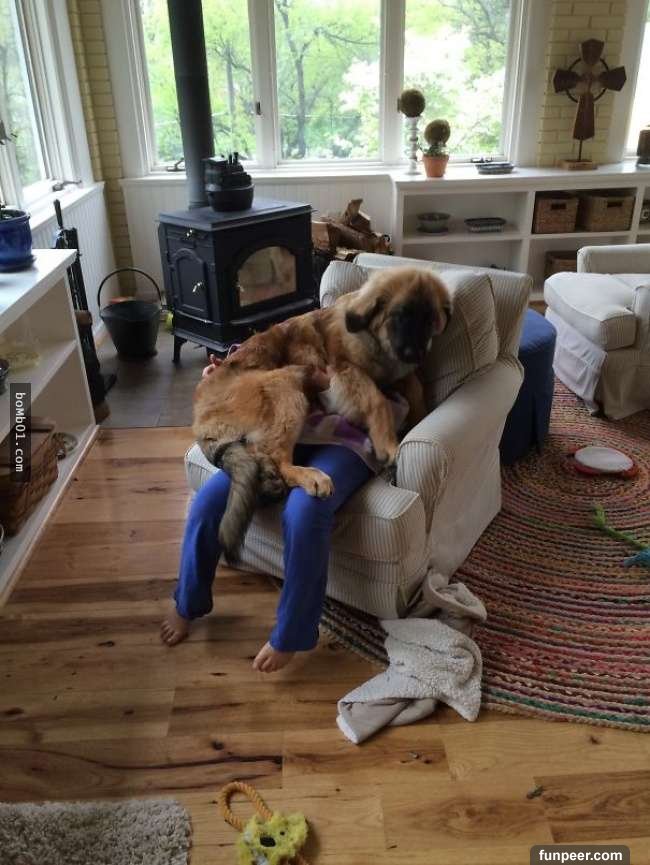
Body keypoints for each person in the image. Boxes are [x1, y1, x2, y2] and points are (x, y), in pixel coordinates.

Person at [161, 355, 374, 673]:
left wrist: (323, 383)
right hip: (282, 431)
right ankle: (188, 601)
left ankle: (292, 634)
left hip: (347, 441)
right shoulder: (310, 330)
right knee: (208, 503)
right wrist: (228, 372)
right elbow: (270, 352)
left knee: (305, 510)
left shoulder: (387, 340)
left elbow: (388, 401)